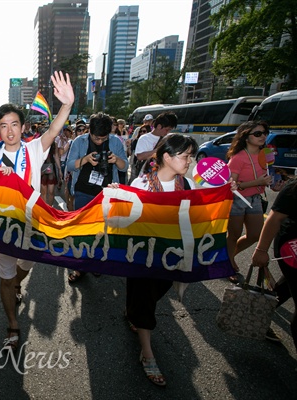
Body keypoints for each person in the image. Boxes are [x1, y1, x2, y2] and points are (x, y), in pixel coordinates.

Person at [0, 71, 74, 352]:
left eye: (14, 124)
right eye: (3, 126)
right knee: (6, 276)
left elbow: (54, 131)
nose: (9, 131)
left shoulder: (34, 149)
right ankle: (13, 324)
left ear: (22, 127)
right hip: (4, 229)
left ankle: (17, 284)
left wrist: (67, 105)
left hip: (32, 226)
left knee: (26, 266)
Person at [125, 134, 199, 387]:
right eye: (185, 155)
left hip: (172, 256)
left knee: (154, 292)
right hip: (143, 255)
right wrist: (118, 197)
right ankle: (147, 354)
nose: (189, 160)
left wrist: (226, 191)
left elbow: (203, 209)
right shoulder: (142, 183)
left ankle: (133, 311)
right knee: (145, 301)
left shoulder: (187, 185)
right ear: (167, 157)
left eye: (191, 155)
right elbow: (126, 218)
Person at [66, 112, 128, 283]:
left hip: (106, 193)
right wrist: (85, 159)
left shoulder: (115, 141)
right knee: (82, 231)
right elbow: (70, 165)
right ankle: (80, 267)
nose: (99, 141)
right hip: (83, 192)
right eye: (96, 138)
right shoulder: (80, 141)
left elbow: (124, 167)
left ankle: (96, 264)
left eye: (103, 138)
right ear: (89, 131)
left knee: (102, 232)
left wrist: (116, 160)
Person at [251, 177, 297, 350]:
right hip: (290, 248)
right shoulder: (293, 188)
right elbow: (273, 219)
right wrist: (261, 250)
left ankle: (259, 315)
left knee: (287, 286)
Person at [226, 121, 272, 283]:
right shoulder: (238, 158)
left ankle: (228, 257)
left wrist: (275, 184)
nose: (263, 136)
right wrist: (256, 182)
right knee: (234, 235)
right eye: (257, 133)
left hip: (256, 198)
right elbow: (232, 186)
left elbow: (270, 176)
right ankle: (228, 263)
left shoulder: (266, 153)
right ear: (246, 137)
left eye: (264, 133)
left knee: (255, 234)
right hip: (237, 199)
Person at [131, 112, 177, 181]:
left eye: (170, 130)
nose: (167, 132)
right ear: (159, 126)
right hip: (146, 175)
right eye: (167, 129)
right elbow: (140, 156)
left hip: (163, 176)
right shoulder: (145, 138)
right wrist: (158, 150)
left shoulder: (167, 139)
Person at [40, 142, 60, 207]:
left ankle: (50, 207)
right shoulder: (40, 142)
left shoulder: (54, 144)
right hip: (42, 167)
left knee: (51, 191)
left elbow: (56, 156)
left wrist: (59, 169)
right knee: (43, 192)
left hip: (51, 168)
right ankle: (45, 209)